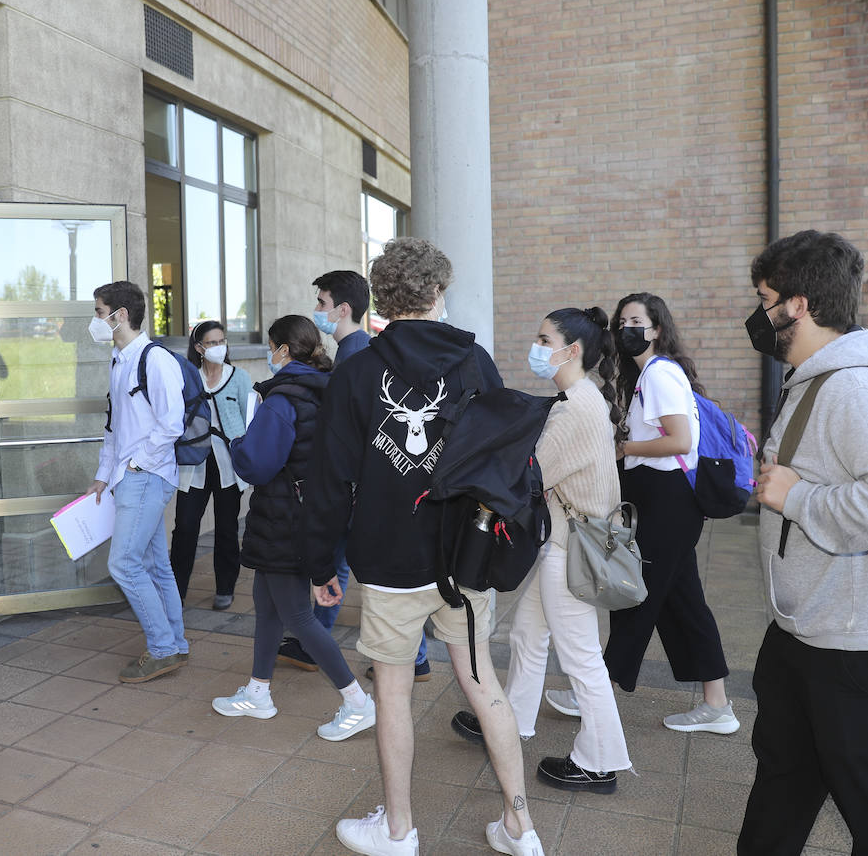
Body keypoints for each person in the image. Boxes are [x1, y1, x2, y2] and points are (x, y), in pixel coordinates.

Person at [303, 238, 544, 856]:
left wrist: (319, 563)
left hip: (388, 557)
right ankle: (521, 827)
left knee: (392, 690)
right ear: (439, 293)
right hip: (463, 553)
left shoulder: (357, 370)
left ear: (382, 297)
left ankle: (398, 829)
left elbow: (330, 479)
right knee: (480, 678)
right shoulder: (473, 362)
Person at [736, 230, 868, 855]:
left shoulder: (856, 387)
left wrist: (795, 497)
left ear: (797, 305)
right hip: (813, 633)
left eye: (765, 298)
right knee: (784, 783)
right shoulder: (814, 379)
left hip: (864, 648)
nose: (759, 313)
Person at [453, 307, 632, 794]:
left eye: (543, 338)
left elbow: (528, 478)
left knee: (580, 661)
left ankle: (600, 761)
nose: (535, 345)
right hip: (570, 541)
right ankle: (511, 721)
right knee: (528, 636)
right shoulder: (580, 396)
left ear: (570, 350)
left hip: (572, 548)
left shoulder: (575, 409)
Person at [210, 315, 374, 740]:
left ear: (283, 350)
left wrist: (237, 443)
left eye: (270, 345)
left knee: (299, 618)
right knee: (266, 606)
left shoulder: (282, 399)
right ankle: (259, 692)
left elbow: (258, 464)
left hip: (286, 518)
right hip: (305, 513)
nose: (268, 353)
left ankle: (359, 701)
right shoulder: (325, 388)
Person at [280, 270, 434, 680]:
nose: (317, 311)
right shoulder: (355, 351)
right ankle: (317, 641)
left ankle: (413, 657)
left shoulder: (358, 354)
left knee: (362, 567)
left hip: (358, 487)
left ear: (343, 309)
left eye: (322, 303)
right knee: (345, 562)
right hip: (358, 486)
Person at [605, 292, 736, 733]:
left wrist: (624, 447)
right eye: (621, 321)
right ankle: (716, 705)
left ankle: (597, 691)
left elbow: (679, 441)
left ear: (657, 329)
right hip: (664, 498)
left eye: (636, 321)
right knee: (682, 602)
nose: (627, 329)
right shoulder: (652, 375)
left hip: (667, 499)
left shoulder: (660, 375)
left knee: (635, 597)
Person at [86, 280, 190, 683]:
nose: (96, 321)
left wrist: (136, 466)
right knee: (155, 565)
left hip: (146, 477)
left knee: (124, 563)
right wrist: (102, 475)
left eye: (99, 312)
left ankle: (162, 648)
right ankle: (175, 644)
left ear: (120, 315)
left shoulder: (155, 359)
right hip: (131, 476)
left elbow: (171, 424)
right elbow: (115, 427)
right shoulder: (119, 360)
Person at [170, 320, 250, 611]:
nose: (218, 347)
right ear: (199, 347)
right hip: (195, 462)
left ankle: (225, 587)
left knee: (227, 528)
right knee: (185, 527)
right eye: (212, 343)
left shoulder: (239, 377)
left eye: (221, 341)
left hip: (228, 463)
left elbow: (249, 419)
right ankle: (176, 590)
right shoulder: (188, 378)